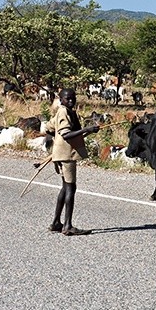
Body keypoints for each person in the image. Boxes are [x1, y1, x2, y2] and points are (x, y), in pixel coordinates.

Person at [45, 88, 99, 236]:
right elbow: (67, 134)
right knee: (70, 188)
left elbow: (49, 128)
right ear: (60, 99)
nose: (71, 101)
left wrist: (88, 131)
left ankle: (56, 222)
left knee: (65, 187)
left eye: (73, 98)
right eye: (67, 98)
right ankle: (67, 225)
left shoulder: (63, 112)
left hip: (61, 154)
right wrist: (86, 129)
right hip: (67, 155)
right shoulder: (64, 112)